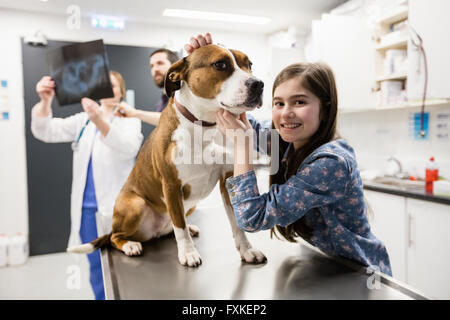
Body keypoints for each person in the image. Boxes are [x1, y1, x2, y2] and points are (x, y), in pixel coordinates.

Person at [178, 33, 392, 276]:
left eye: (299, 102)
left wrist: (242, 147)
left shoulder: (330, 163)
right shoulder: (288, 139)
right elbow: (246, 123)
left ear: (326, 107)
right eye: (279, 103)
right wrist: (204, 63)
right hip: (324, 265)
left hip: (360, 274)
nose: (286, 113)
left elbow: (251, 218)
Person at [31, 71, 143, 299]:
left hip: (117, 209)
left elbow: (129, 147)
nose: (109, 89)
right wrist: (45, 101)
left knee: (122, 266)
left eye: (113, 86)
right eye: (104, 85)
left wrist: (99, 121)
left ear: (121, 92)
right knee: (95, 267)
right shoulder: (83, 121)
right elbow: (46, 131)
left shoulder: (129, 119)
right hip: (87, 211)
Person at [114, 48, 180, 125]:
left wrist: (135, 113)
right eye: (152, 66)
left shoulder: (184, 96)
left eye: (160, 63)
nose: (155, 69)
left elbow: (175, 121)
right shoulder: (161, 103)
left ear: (175, 66)